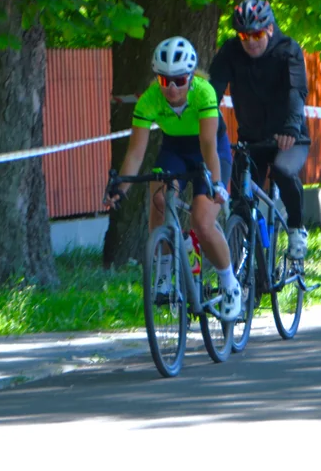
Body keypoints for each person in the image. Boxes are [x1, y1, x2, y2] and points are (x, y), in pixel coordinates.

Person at [104, 36, 242, 322]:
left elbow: (207, 144)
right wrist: (121, 187)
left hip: (211, 150)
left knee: (201, 222)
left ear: (190, 76)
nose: (174, 88)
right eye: (166, 81)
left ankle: (230, 283)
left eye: (180, 80)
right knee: (158, 198)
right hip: (174, 149)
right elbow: (135, 152)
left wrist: (216, 183)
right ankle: (165, 271)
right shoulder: (148, 99)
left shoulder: (204, 93)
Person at [208, 0, 311, 260]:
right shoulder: (231, 51)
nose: (250, 42)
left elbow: (296, 90)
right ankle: (245, 267)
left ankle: (297, 229)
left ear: (269, 29)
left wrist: (290, 128)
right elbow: (211, 93)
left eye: (256, 34)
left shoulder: (288, 50)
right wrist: (211, 123)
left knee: (283, 171)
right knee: (240, 199)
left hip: (288, 137)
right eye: (244, 35)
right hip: (251, 137)